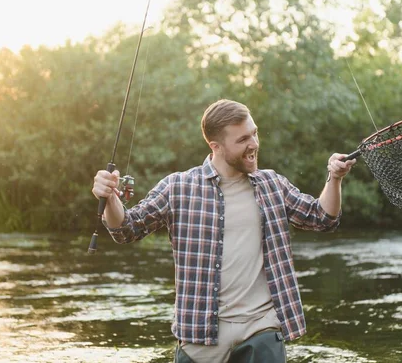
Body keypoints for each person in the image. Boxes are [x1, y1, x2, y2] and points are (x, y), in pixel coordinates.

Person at [92, 99, 355, 363]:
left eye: (254, 133)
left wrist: (335, 178)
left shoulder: (272, 184)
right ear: (215, 146)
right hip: (200, 334)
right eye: (242, 139)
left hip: (261, 326)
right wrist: (110, 197)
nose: (253, 144)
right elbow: (126, 229)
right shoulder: (178, 187)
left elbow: (322, 218)